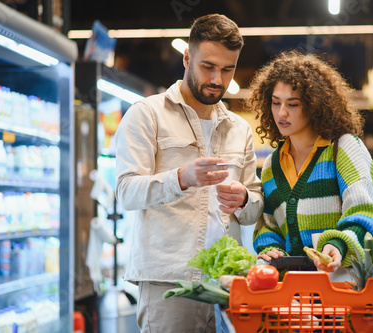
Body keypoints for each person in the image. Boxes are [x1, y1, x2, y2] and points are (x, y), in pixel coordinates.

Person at [114, 14, 264, 333]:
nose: (217, 79)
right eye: (208, 66)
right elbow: (126, 192)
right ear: (187, 57)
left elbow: (254, 207)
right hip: (168, 282)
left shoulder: (240, 129)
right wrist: (182, 178)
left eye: (227, 69)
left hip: (227, 283)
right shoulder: (147, 115)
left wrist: (244, 199)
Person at [247, 50, 373, 273]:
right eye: (275, 102)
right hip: (294, 295)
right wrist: (270, 247)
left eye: (293, 104)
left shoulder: (343, 148)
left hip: (343, 288)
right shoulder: (272, 165)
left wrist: (339, 244)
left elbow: (364, 211)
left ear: (314, 105)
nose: (281, 113)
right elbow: (269, 226)